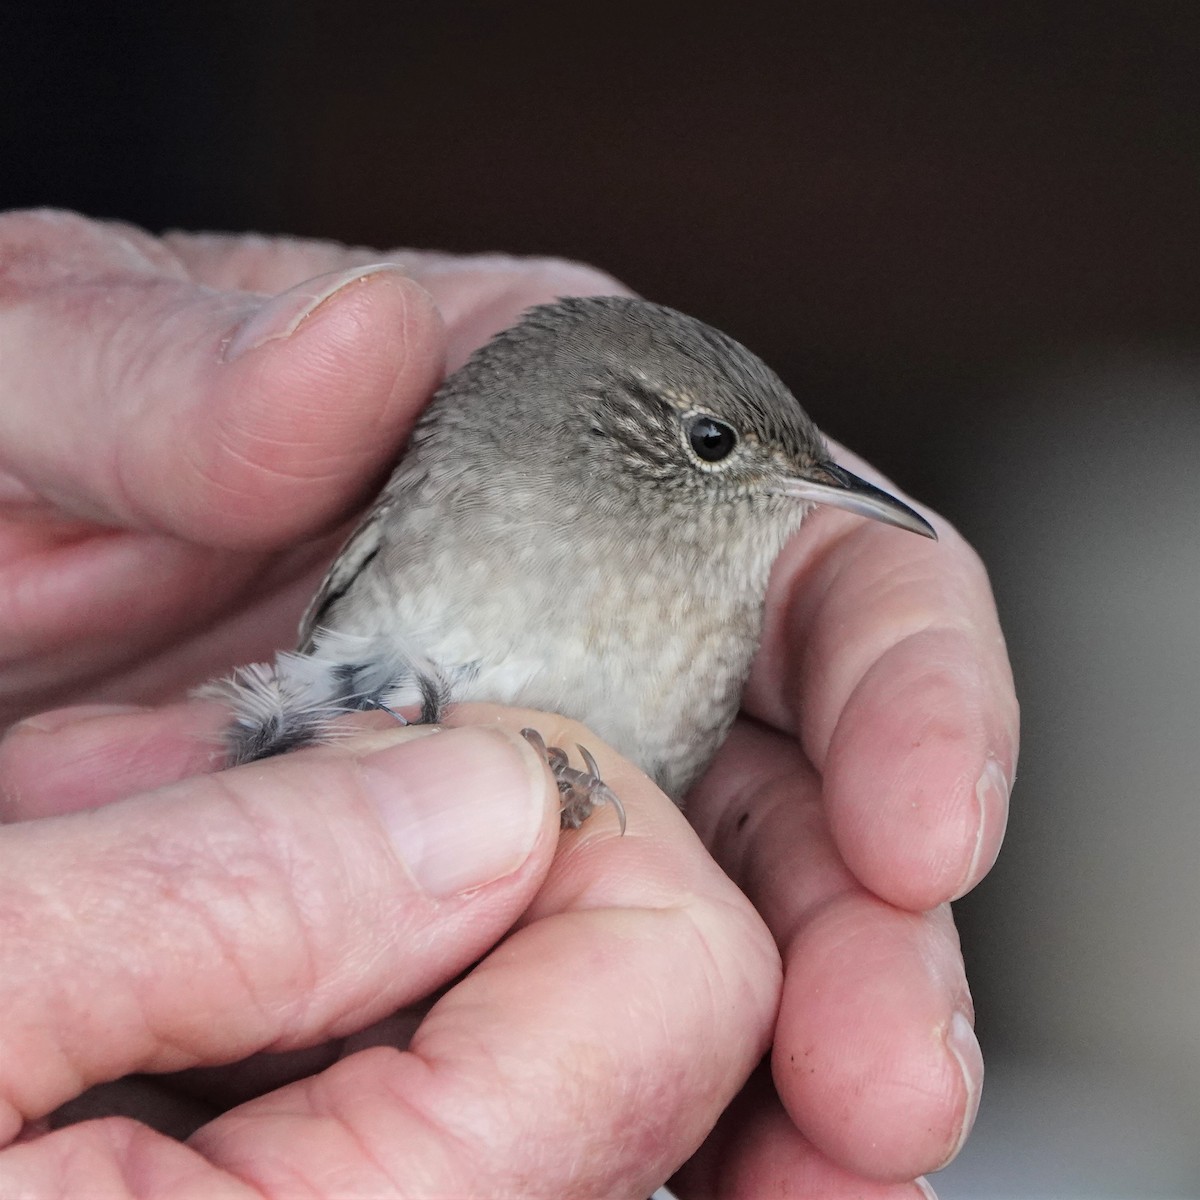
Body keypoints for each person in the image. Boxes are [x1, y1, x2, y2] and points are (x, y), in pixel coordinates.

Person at [0, 209, 1016, 1197]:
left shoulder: (721, 605)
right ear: (599, 426)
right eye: (714, 444)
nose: (792, 494)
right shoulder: (472, 490)